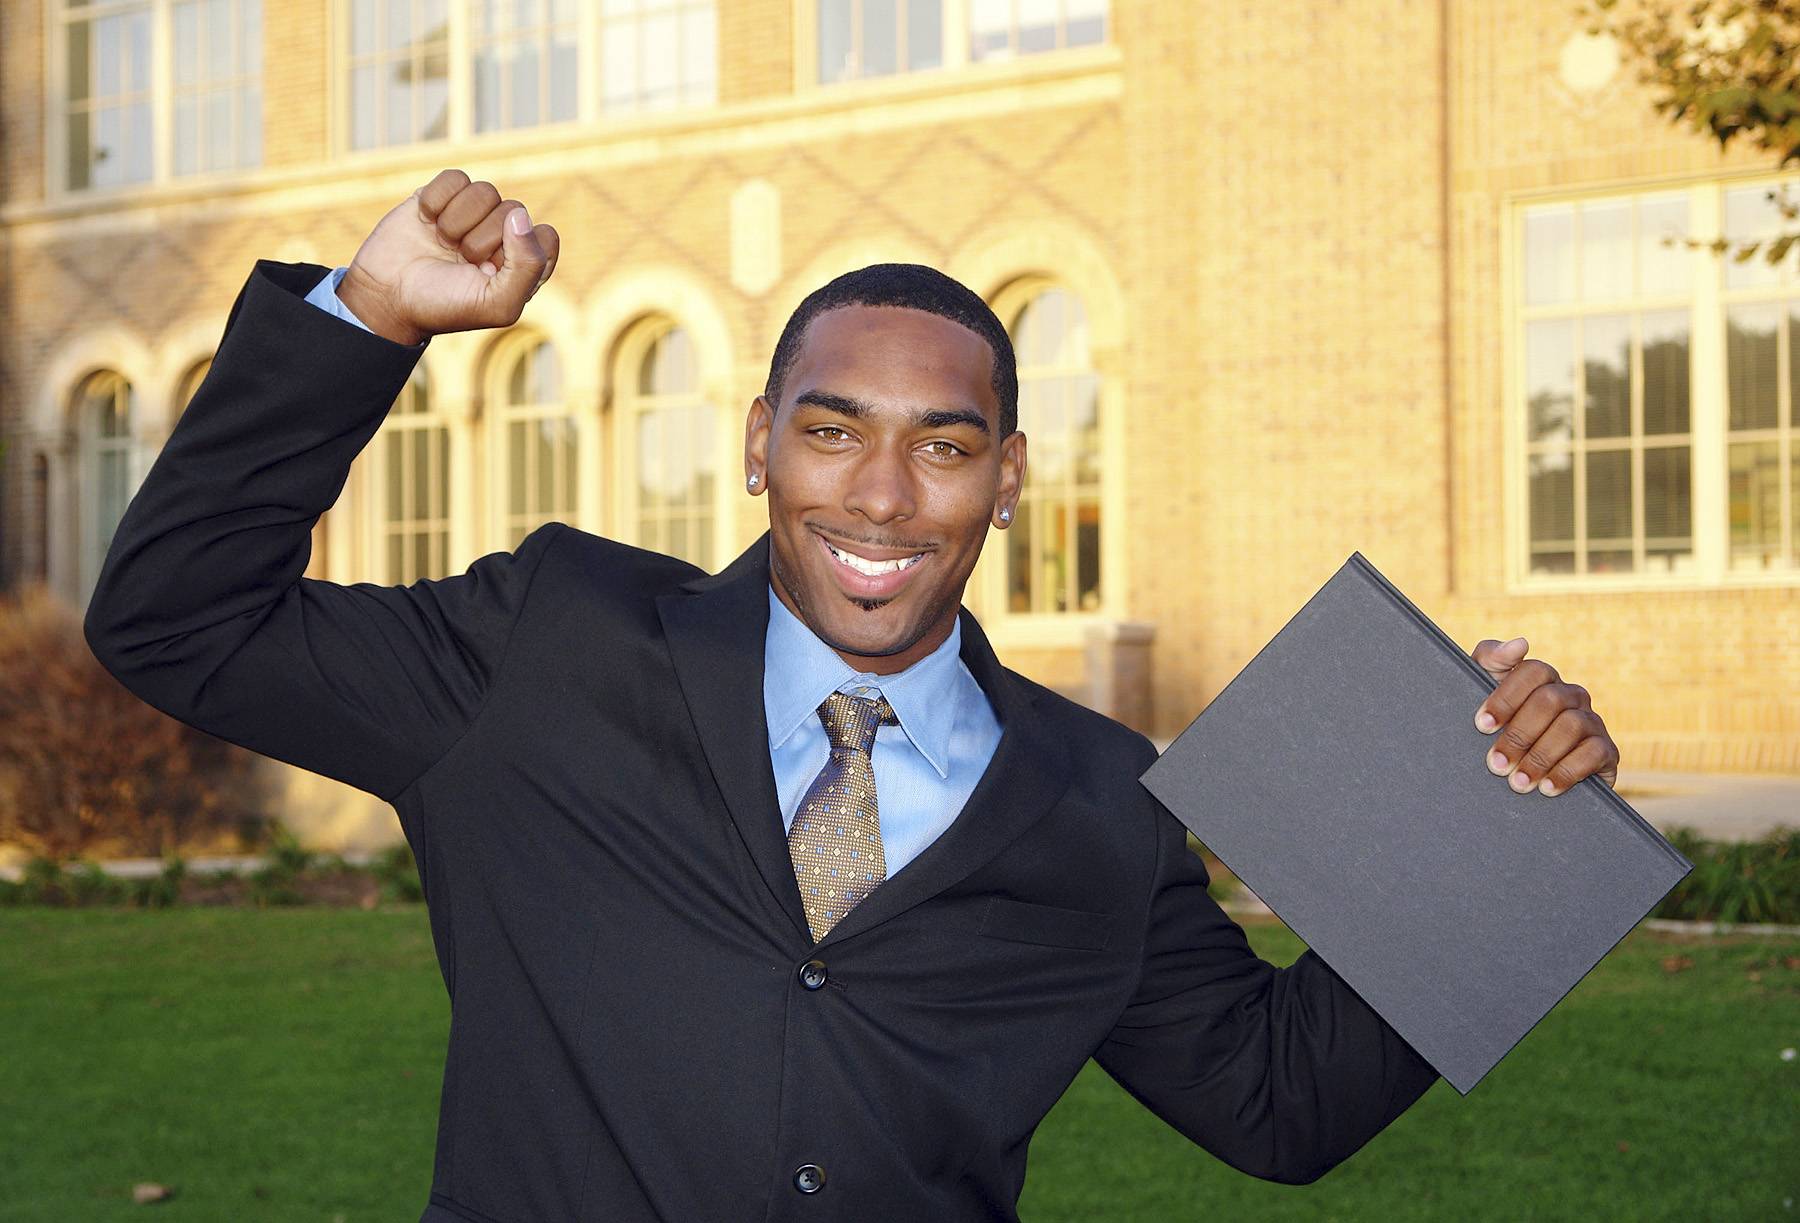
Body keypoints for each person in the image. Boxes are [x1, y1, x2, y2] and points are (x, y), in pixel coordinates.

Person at [84, 170, 1622, 1222]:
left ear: (1009, 479)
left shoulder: (1098, 800)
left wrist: (1499, 817)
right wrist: (370, 317)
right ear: (757, 442)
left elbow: (1280, 1108)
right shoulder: (552, 645)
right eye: (832, 433)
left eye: (945, 447)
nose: (882, 497)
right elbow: (176, 619)